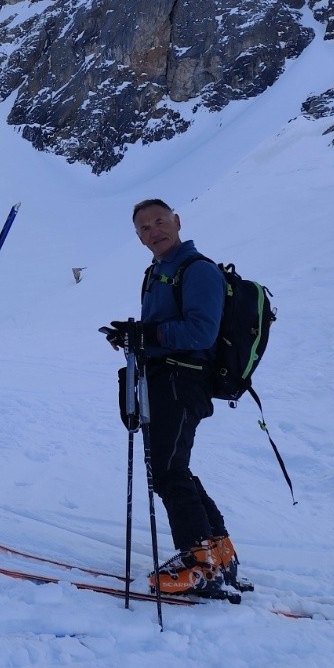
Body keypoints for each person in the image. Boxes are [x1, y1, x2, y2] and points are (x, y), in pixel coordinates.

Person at [103, 198, 239, 596]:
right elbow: (163, 327)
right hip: (162, 378)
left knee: (167, 472)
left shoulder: (197, 270)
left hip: (184, 380)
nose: (153, 231)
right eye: (144, 228)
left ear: (177, 222)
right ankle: (218, 552)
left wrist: (150, 335)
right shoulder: (159, 271)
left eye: (159, 222)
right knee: (173, 468)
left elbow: (201, 332)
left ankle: (199, 561)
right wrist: (132, 337)